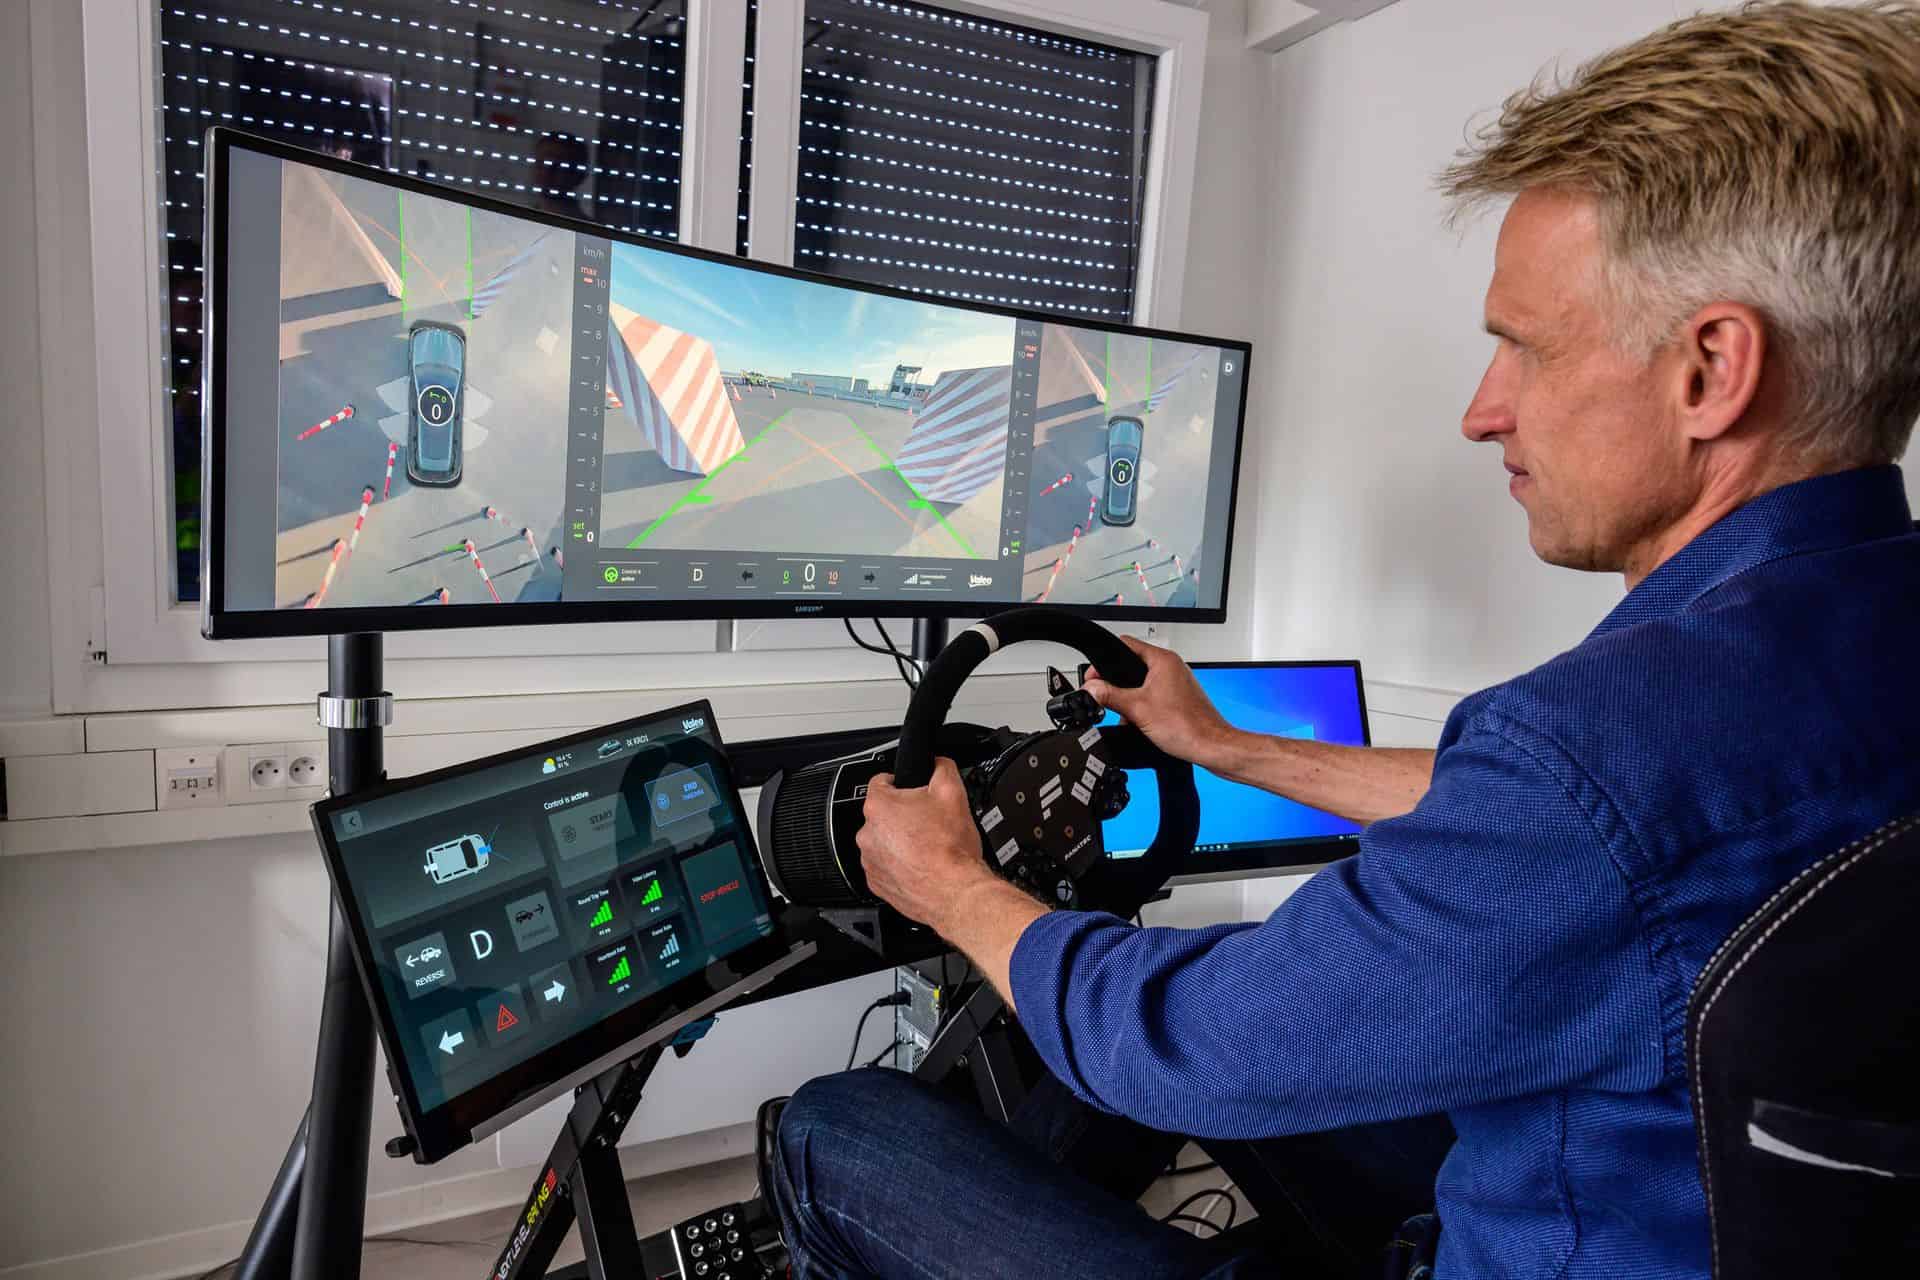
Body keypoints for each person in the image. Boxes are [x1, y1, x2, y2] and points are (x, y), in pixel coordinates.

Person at [767, 3, 1920, 1277]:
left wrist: (950, 884)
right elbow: (1616, 834)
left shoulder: (1593, 750)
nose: (1483, 411)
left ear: (1711, 369)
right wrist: (1228, 747)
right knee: (1180, 1008)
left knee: (842, 1125)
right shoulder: (1843, 646)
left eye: (1523, 348)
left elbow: (1182, 1044)